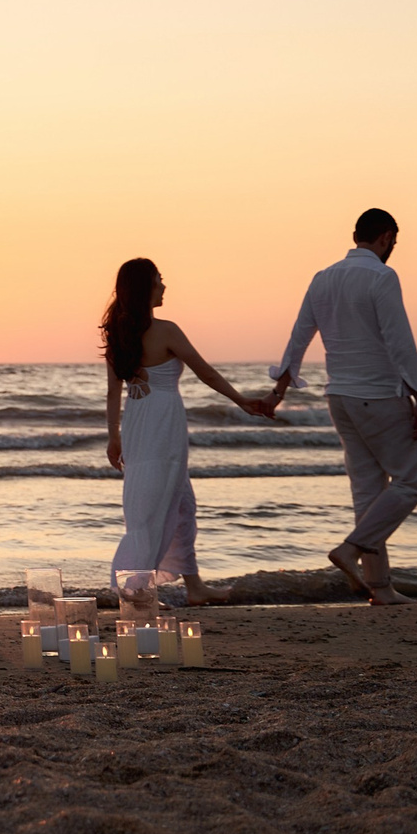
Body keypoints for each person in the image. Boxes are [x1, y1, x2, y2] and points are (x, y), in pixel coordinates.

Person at [256, 208, 417, 606]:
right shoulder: (382, 277)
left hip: (340, 399)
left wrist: (278, 391)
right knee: (409, 481)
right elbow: (398, 339)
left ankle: (380, 588)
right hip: (380, 396)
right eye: (394, 243)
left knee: (368, 494)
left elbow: (299, 337)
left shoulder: (323, 278)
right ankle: (351, 549)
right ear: (386, 237)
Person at [102, 257, 271, 604]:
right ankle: (134, 587)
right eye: (158, 280)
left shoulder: (119, 332)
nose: (164, 286)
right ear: (144, 288)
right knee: (156, 506)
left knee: (179, 503)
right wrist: (241, 400)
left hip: (136, 422)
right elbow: (206, 373)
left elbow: (113, 391)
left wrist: (114, 436)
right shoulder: (166, 330)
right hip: (163, 423)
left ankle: (193, 587)